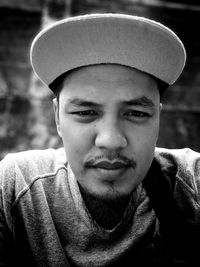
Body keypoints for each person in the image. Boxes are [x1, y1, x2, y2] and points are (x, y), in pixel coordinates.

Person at [0, 13, 199, 267]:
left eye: (136, 113)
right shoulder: (16, 187)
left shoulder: (191, 181)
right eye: (85, 113)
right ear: (57, 118)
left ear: (158, 117)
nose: (111, 140)